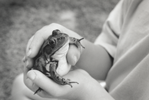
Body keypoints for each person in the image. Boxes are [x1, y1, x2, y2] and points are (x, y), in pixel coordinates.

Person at [11, 0, 149, 100]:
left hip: (95, 94)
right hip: (107, 90)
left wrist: (86, 91)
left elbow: (59, 77)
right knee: (20, 85)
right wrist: (79, 49)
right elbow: (113, 56)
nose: (62, 37)